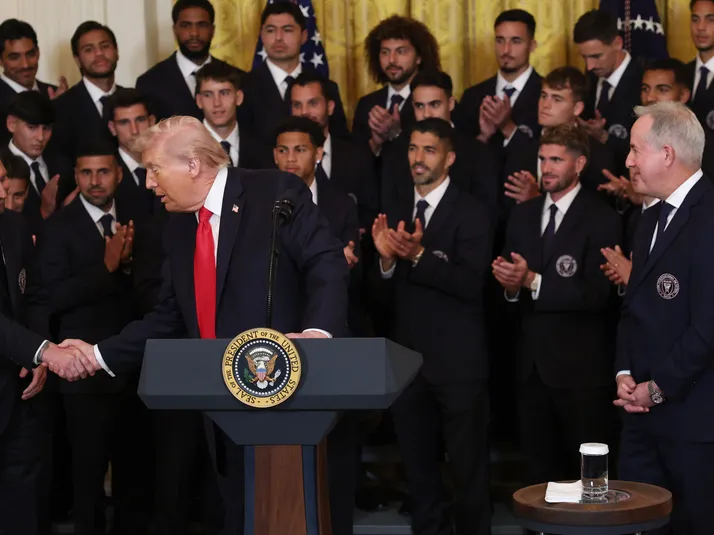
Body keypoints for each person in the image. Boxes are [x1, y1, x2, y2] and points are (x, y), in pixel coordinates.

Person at [55, 115, 349, 534]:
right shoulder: (177, 228)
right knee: (238, 512)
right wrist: (97, 355)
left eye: (155, 170)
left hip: (287, 393)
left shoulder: (274, 193)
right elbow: (171, 315)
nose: (149, 183)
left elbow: (326, 262)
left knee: (286, 515)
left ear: (192, 165)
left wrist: (318, 335)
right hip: (220, 403)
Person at [372, 118, 492, 535]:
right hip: (407, 361)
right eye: (412, 148)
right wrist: (385, 261)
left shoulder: (472, 211)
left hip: (458, 363)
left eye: (428, 150)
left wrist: (420, 256)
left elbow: (471, 284)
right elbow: (376, 295)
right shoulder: (394, 207)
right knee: (418, 470)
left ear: (449, 157)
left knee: (468, 468)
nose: (417, 158)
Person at [493, 124, 621, 486]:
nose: (546, 168)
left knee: (585, 475)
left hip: (581, 372)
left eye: (556, 160)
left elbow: (598, 294)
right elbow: (509, 291)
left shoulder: (603, 218)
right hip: (530, 369)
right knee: (538, 473)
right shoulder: (522, 214)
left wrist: (533, 282)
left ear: (579, 164)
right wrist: (511, 287)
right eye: (542, 159)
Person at [614, 101, 714, 535]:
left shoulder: (709, 216)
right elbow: (634, 308)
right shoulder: (650, 215)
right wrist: (624, 372)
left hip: (694, 424)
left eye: (636, 150)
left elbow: (708, 328)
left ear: (667, 154)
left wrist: (657, 389)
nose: (628, 161)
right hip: (640, 417)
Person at [273, 115, 360, 535]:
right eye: (282, 150)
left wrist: (341, 264)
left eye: (300, 149)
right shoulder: (261, 203)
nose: (290, 158)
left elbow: (346, 271)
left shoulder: (342, 204)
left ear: (319, 153)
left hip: (332, 338)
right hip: (280, 338)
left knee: (336, 449)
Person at [0, 156, 88, 535]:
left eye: (4, 178)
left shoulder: (15, 226)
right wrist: (43, 351)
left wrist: (36, 355)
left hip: (20, 390)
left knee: (23, 496)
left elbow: (33, 295)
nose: (4, 188)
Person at [380, 70, 499, 220]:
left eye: (435, 105)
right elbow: (389, 209)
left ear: (451, 104)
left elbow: (485, 215)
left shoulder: (477, 152)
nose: (427, 114)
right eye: (419, 106)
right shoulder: (398, 150)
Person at [239, 1, 349, 144]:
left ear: (304, 36)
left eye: (287, 30)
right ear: (261, 35)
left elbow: (341, 143)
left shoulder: (327, 87)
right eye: (271, 30)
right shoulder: (242, 87)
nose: (278, 37)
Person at [289, 71, 379, 230]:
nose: (304, 112)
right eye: (297, 105)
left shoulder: (358, 156)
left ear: (330, 107)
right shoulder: (281, 159)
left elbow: (371, 212)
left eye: (313, 103)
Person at [136, 0, 246, 121]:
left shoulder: (240, 78)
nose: (194, 33)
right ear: (174, 30)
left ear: (213, 30)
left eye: (202, 25)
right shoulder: (150, 83)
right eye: (186, 25)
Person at [353, 15, 441, 153]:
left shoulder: (435, 101)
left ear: (419, 57)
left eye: (401, 52)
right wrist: (376, 143)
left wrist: (397, 134)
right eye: (385, 52)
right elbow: (355, 161)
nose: (392, 60)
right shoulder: (366, 104)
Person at [454, 9, 542, 147]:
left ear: (532, 46)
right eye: (500, 40)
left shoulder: (548, 96)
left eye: (516, 41)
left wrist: (507, 127)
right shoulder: (472, 96)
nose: (506, 50)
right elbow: (461, 153)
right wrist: (483, 137)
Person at [574, 9, 643, 174]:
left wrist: (604, 137)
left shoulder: (644, 80)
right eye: (584, 57)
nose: (589, 66)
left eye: (596, 56)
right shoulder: (589, 78)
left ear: (617, 43)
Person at [5, 91, 74, 235]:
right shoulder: (1, 166)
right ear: (11, 124)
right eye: (32, 127)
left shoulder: (63, 164)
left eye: (46, 128)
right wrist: (44, 212)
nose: (40, 137)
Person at [51, 21, 122, 160]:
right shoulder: (61, 108)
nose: (99, 53)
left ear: (116, 51)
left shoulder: (135, 100)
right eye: (89, 49)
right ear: (77, 60)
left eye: (105, 46)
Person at [195, 61, 274, 169]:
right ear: (199, 100)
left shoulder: (263, 146)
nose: (217, 103)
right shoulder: (183, 148)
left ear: (239, 97)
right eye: (208, 95)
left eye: (224, 93)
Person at [0, 19, 66, 144]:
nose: (25, 64)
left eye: (30, 54)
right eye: (14, 57)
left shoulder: (56, 95)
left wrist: (61, 108)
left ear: (38, 52)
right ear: (0, 60)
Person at [104, 89, 158, 216]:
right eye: (124, 122)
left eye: (140, 120)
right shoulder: (105, 174)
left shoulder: (170, 165)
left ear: (152, 122)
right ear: (112, 128)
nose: (134, 130)